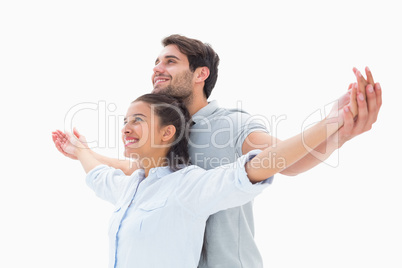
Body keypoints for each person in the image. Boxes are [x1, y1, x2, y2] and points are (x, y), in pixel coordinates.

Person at [53, 35, 382, 268]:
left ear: (201, 74)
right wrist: (84, 152)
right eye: (155, 62)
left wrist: (339, 131)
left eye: (170, 60)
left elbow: (282, 161)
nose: (157, 68)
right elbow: (139, 176)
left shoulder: (231, 124)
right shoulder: (164, 136)